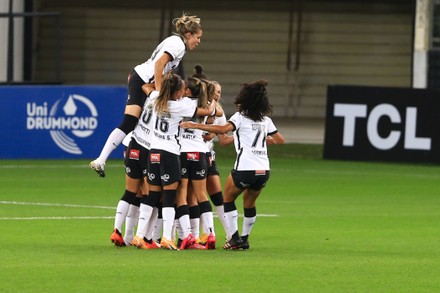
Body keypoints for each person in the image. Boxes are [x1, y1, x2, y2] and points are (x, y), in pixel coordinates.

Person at [89, 13, 203, 177]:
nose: (199, 41)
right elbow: (159, 64)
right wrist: (158, 92)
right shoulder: (177, 44)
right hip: (141, 80)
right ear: (189, 34)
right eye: (198, 37)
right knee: (130, 122)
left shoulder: (178, 44)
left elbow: (162, 68)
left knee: (137, 121)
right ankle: (102, 159)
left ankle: (127, 157)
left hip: (141, 79)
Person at [180, 79, 285, 250]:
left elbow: (222, 130)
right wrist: (267, 140)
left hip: (245, 168)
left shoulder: (240, 117)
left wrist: (194, 125)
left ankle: (234, 239)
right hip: (263, 170)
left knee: (227, 199)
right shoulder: (266, 120)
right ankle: (244, 239)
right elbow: (280, 140)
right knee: (249, 203)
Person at [131, 72, 219, 250]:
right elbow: (209, 111)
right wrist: (215, 98)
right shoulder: (180, 106)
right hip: (169, 153)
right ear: (178, 91)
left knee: (153, 195)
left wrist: (155, 82)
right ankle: (166, 237)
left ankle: (139, 236)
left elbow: (145, 87)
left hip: (153, 151)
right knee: (170, 197)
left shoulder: (156, 98)